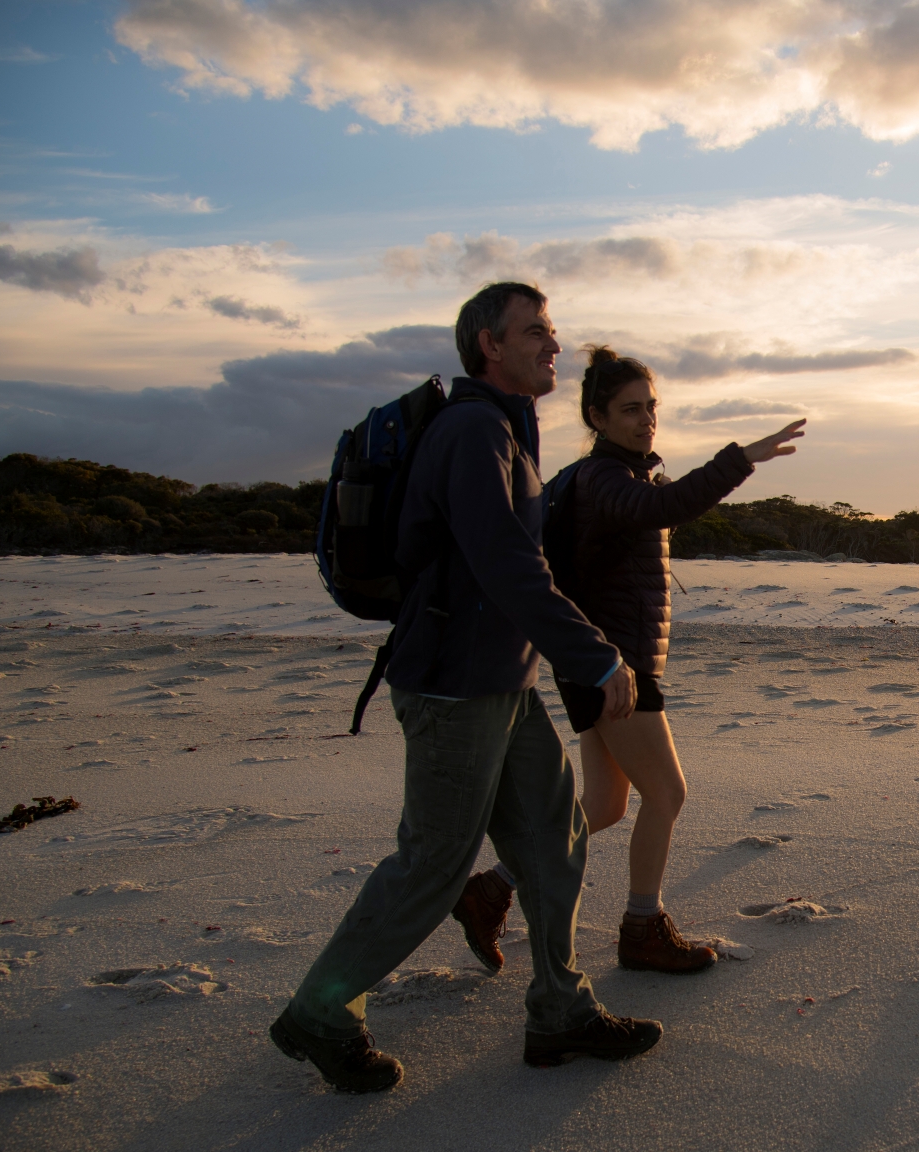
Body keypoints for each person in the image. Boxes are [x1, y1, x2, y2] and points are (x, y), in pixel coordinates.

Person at [268, 282, 657, 1093]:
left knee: (554, 840)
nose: (553, 344)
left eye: (551, 330)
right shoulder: (473, 432)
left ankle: (560, 1010)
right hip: (452, 688)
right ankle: (320, 1011)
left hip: (500, 684)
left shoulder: (506, 430)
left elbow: (525, 566)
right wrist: (597, 658)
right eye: (536, 332)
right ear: (490, 344)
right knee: (435, 864)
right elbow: (510, 569)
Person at [450, 345, 804, 976]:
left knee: (608, 805)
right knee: (667, 793)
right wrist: (740, 459)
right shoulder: (605, 480)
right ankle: (643, 926)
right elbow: (663, 509)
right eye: (629, 410)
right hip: (612, 667)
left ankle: (491, 889)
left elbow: (656, 508)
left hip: (604, 664)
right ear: (598, 416)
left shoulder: (623, 476)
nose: (646, 420)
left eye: (651, 408)